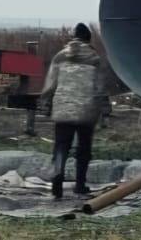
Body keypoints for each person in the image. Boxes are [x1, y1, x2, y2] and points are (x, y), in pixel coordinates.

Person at [40, 22, 110, 201]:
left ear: (73, 37)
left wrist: (46, 105)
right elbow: (100, 88)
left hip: (63, 108)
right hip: (87, 110)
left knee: (61, 146)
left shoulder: (60, 56)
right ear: (89, 39)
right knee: (84, 148)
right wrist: (106, 110)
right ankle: (80, 185)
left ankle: (57, 183)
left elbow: (50, 84)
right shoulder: (95, 59)